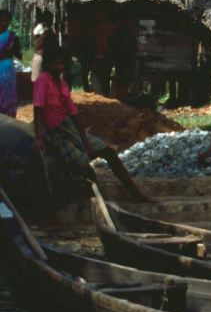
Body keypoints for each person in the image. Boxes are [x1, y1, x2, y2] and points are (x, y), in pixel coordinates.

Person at [32, 50, 153, 203]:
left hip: (68, 126)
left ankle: (136, 193)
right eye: (54, 64)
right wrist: (39, 137)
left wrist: (85, 141)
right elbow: (38, 109)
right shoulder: (43, 80)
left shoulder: (61, 84)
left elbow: (74, 114)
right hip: (53, 130)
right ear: (47, 65)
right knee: (84, 167)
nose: (58, 67)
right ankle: (98, 201)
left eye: (61, 64)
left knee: (109, 152)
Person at [0, 9, 21, 117]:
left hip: (7, 70)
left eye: (7, 21)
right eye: (2, 21)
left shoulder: (13, 37)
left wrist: (12, 48)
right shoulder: (11, 37)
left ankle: (8, 118)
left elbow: (19, 54)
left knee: (8, 95)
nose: (4, 24)